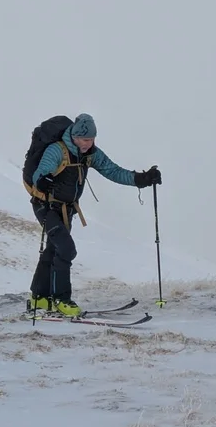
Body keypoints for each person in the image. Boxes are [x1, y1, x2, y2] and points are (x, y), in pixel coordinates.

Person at [24, 114, 161, 317]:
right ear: (75, 137)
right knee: (66, 249)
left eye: (92, 139)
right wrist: (42, 180)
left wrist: (142, 179)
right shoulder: (57, 150)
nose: (89, 143)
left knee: (54, 250)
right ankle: (61, 300)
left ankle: (39, 297)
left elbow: (113, 171)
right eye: (85, 139)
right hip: (46, 206)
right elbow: (40, 173)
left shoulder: (90, 154)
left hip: (67, 208)